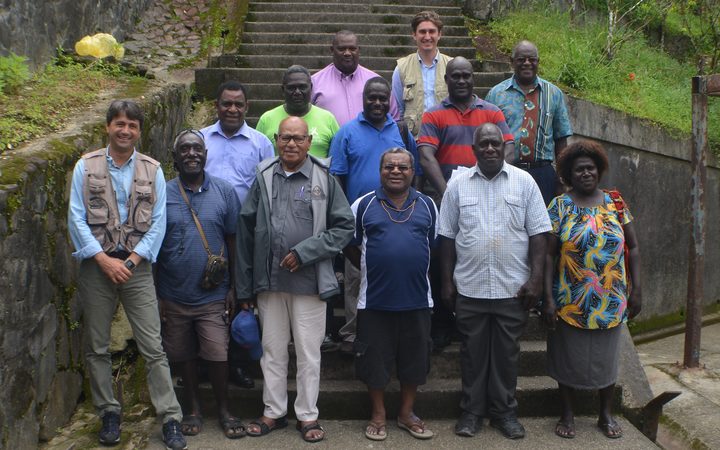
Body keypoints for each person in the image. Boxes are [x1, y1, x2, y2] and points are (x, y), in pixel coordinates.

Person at [67, 100, 187, 450]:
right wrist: (104, 260)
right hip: (97, 266)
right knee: (97, 345)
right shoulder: (84, 167)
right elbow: (76, 218)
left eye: (132, 125)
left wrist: (131, 261)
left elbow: (159, 223)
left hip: (137, 267)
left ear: (139, 131)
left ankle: (170, 417)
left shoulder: (153, 169)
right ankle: (108, 411)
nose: (125, 130)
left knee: (153, 346)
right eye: (119, 123)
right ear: (108, 127)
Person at [235, 116, 354, 443]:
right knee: (272, 351)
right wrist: (244, 287)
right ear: (275, 138)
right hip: (269, 282)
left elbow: (344, 227)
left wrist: (306, 251)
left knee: (308, 352)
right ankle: (273, 411)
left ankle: (307, 416)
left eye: (298, 138)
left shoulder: (323, 177)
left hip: (309, 284)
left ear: (308, 140)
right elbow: (245, 234)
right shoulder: (263, 177)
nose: (291, 143)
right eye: (285, 138)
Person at [438, 123, 551, 440]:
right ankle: (472, 412)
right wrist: (446, 282)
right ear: (473, 150)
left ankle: (504, 413)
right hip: (470, 287)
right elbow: (446, 237)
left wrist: (536, 279)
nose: (489, 148)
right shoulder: (458, 185)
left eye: (495, 144)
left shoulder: (524, 182)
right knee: (472, 354)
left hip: (511, 288)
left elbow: (539, 235)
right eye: (483, 144)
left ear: (504, 148)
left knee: (506, 354)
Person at [542, 140, 642, 440]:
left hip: (611, 298)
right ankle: (568, 413)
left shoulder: (616, 202)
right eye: (578, 170)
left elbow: (634, 247)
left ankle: (605, 413)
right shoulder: (559, 206)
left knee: (606, 358)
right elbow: (547, 254)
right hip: (569, 298)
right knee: (566, 356)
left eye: (590, 168)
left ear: (599, 171)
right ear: (568, 176)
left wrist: (637, 290)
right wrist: (547, 297)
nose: (585, 173)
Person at [417, 56, 514, 351]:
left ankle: (469, 322)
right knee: (441, 260)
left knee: (475, 255)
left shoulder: (492, 112)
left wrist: (488, 177)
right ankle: (443, 323)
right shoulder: (433, 115)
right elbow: (425, 156)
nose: (461, 81)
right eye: (455, 76)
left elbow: (509, 147)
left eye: (466, 76)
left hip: (488, 196)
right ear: (446, 80)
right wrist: (449, 193)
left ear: (473, 78)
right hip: (445, 197)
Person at [155, 130, 244, 439]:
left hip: (213, 295)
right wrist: (157, 295)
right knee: (182, 354)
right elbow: (152, 246)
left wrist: (234, 287)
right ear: (175, 158)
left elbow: (233, 239)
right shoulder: (161, 193)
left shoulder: (225, 192)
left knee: (218, 353)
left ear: (206, 154)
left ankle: (224, 410)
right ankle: (193, 409)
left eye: (197, 148)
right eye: (185, 149)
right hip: (173, 293)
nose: (192, 153)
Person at [345, 148, 437, 441]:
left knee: (415, 361)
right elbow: (349, 245)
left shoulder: (428, 205)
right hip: (374, 301)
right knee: (375, 362)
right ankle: (378, 413)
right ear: (380, 170)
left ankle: (407, 413)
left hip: (418, 300)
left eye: (402, 167)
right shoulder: (362, 205)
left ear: (413, 171)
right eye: (389, 167)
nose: (395, 171)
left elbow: (434, 245)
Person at [329, 77, 418, 353]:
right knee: (356, 276)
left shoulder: (401, 132)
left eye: (383, 98)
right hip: (360, 218)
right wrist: (343, 218)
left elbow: (416, 173)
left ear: (390, 100)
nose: (378, 103)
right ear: (363, 99)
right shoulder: (347, 132)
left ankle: (393, 334)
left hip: (399, 218)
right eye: (372, 98)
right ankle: (354, 333)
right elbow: (337, 178)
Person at [201, 80, 274, 388]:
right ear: (216, 106)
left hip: (247, 232)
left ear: (248, 107)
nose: (232, 109)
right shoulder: (201, 139)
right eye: (226, 103)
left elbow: (269, 190)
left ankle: (240, 364)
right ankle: (208, 361)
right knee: (211, 296)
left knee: (244, 297)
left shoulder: (260, 144)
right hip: (207, 231)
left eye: (238, 104)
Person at [485, 40, 573, 205]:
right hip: (507, 171)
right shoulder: (496, 94)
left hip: (543, 173)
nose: (527, 63)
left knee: (544, 226)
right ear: (512, 62)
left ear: (538, 62)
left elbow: (561, 140)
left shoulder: (554, 94)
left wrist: (562, 177)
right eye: (521, 59)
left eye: (532, 59)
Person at [311, 30, 399, 126]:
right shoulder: (315, 82)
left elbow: (394, 119)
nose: (347, 53)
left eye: (352, 49)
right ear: (332, 50)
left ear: (359, 50)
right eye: (341, 49)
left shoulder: (376, 82)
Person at [256, 65, 339, 159]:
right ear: (283, 90)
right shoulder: (266, 119)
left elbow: (337, 158)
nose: (297, 92)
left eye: (302, 87)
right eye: (291, 88)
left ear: (311, 88)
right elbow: (258, 158)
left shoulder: (327, 118)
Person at [392, 10, 452, 137]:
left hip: (446, 139)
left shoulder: (452, 66)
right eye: (422, 32)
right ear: (414, 34)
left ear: (439, 34)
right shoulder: (401, 68)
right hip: (413, 140)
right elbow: (397, 110)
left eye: (432, 31)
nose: (427, 36)